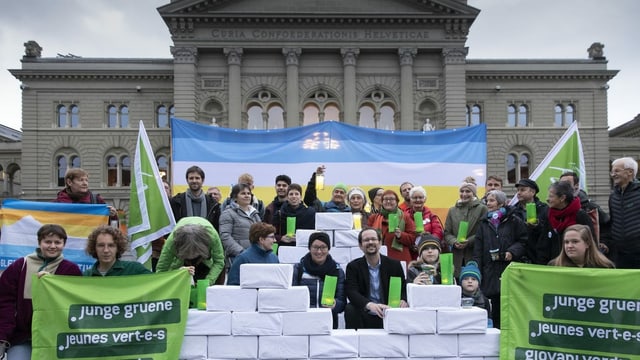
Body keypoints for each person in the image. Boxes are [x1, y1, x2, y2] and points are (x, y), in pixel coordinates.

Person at [0, 224, 82, 359]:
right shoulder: (20, 266)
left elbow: (75, 304)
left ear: (64, 244)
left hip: (55, 339)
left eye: (58, 242)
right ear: (39, 242)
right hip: (22, 338)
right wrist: (2, 337)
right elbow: (4, 303)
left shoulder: (71, 270)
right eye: (48, 242)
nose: (53, 246)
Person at [473, 190, 527, 328]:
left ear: (501, 203)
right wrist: (478, 270)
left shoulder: (513, 219)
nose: (488, 203)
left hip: (508, 269)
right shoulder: (484, 222)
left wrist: (512, 252)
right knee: (494, 308)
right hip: (490, 270)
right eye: (487, 200)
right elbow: (478, 249)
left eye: (492, 200)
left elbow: (523, 241)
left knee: (510, 306)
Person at [344, 227, 408, 329]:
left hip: (389, 310)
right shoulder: (353, 267)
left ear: (380, 242)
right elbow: (351, 292)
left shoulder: (394, 265)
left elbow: (404, 287)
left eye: (373, 239)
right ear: (360, 246)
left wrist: (404, 299)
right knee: (350, 308)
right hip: (366, 310)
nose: (370, 242)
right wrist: (369, 305)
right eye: (366, 240)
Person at [292, 232, 346, 329]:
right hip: (303, 320)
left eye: (323, 247)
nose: (319, 251)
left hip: (328, 321)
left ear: (328, 249)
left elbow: (342, 303)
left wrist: (335, 304)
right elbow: (292, 297)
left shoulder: (337, 271)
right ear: (309, 248)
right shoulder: (299, 268)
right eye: (315, 247)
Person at [156, 216, 225, 286]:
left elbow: (219, 261)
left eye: (194, 253)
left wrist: (207, 282)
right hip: (180, 261)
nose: (191, 258)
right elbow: (161, 269)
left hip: (205, 260)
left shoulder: (212, 236)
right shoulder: (171, 242)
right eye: (188, 254)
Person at [537, 181, 594, 265]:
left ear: (562, 198)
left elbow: (592, 242)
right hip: (555, 266)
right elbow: (544, 244)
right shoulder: (549, 215)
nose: (547, 199)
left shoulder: (580, 215)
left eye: (551, 196)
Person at [444, 177, 488, 278]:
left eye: (468, 191)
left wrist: (469, 241)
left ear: (473, 193)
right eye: (462, 191)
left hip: (473, 254)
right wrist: (454, 241)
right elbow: (447, 233)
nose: (464, 194)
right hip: (456, 255)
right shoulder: (452, 210)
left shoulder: (482, 209)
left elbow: (484, 231)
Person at [559, 171, 610, 250]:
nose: (563, 186)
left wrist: (604, 242)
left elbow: (606, 225)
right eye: (561, 183)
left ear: (576, 185)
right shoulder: (557, 207)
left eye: (567, 183)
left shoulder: (590, 207)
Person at [367, 189, 417, 265]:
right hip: (378, 258)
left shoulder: (405, 217)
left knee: (397, 276)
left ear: (397, 202)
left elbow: (413, 239)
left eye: (391, 199)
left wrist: (401, 235)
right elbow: (367, 236)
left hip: (399, 258)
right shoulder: (373, 218)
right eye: (385, 199)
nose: (388, 201)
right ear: (382, 202)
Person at [219, 183, 262, 267]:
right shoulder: (228, 213)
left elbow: (262, 234)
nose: (247, 196)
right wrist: (242, 252)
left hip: (255, 257)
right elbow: (225, 236)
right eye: (243, 193)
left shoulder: (255, 214)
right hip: (236, 258)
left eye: (248, 193)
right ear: (235, 197)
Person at [608, 157, 640, 268]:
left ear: (630, 172)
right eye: (612, 171)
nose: (613, 174)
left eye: (617, 171)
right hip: (620, 255)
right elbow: (612, 221)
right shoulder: (613, 196)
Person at [84, 225, 152, 276]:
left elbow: (155, 284)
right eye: (101, 245)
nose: (106, 250)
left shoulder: (134, 269)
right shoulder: (87, 275)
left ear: (118, 248)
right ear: (94, 248)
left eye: (111, 245)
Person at [170, 165, 221, 231]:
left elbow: (216, 228)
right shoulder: (176, 202)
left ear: (202, 180)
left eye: (197, 178)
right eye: (191, 178)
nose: (194, 181)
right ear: (187, 180)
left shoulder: (213, 204)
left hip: (205, 239)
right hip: (182, 239)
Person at [512, 178, 548, 264]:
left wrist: (537, 226)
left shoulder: (544, 209)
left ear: (533, 192)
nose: (519, 193)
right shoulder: (513, 211)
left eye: (522, 190)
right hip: (518, 255)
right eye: (518, 190)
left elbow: (547, 231)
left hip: (538, 255)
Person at [549, 224, 615, 268]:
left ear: (587, 243)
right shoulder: (554, 266)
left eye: (575, 241)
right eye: (566, 242)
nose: (569, 246)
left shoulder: (605, 266)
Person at [404, 186, 445, 252]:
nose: (418, 200)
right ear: (410, 199)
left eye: (420, 197)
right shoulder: (404, 216)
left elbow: (438, 233)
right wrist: (410, 245)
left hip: (428, 251)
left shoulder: (432, 217)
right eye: (415, 198)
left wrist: (427, 240)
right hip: (409, 253)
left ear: (425, 199)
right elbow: (402, 235)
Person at [152, 180, 173, 271]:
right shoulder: (151, 207)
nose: (164, 189)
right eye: (161, 187)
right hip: (155, 253)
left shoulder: (176, 206)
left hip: (172, 252)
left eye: (166, 187)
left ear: (170, 191)